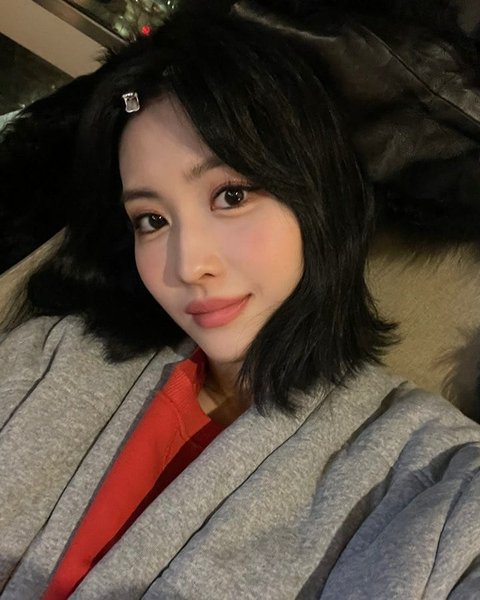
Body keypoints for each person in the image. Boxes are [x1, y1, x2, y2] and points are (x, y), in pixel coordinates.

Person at [1, 3, 480, 599]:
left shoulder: (431, 475)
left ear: (320, 195)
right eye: (151, 219)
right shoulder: (48, 360)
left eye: (230, 195)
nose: (187, 266)